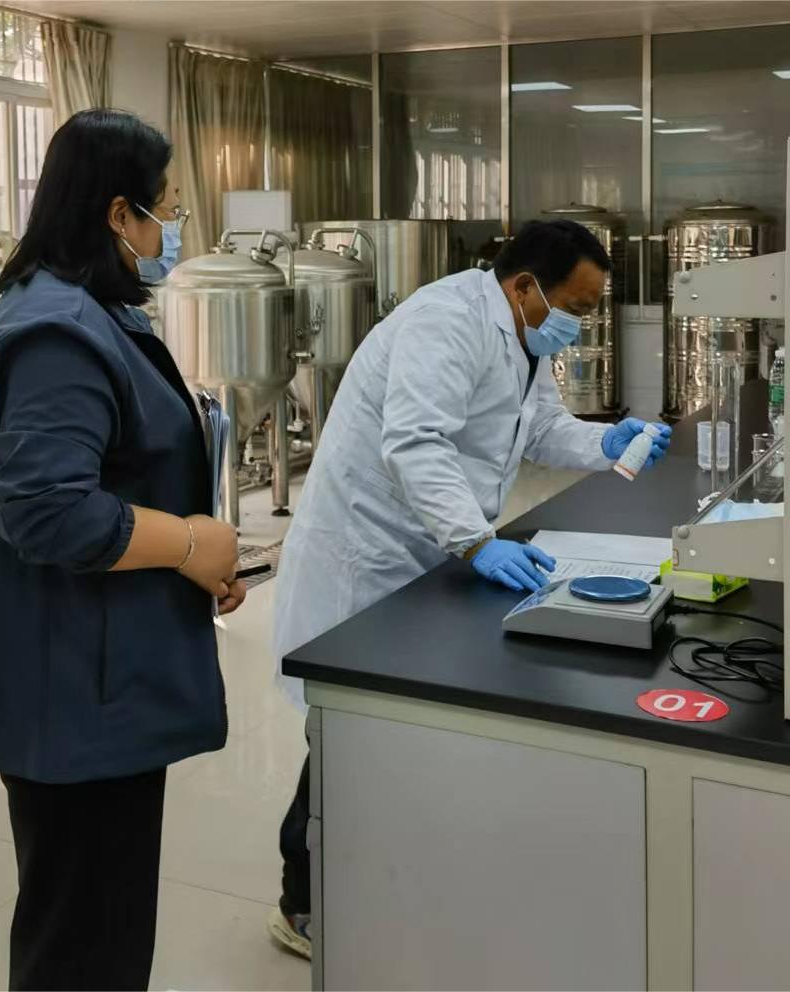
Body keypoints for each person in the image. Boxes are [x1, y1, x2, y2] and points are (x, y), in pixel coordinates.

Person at [266, 219, 671, 958]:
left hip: (428, 550)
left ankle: (393, 873)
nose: (580, 325)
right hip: (368, 551)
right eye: (577, 307)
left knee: (395, 727)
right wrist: (478, 542)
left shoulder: (521, 333)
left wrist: (606, 441)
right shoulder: (445, 322)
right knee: (345, 729)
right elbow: (414, 443)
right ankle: (303, 902)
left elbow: (538, 430)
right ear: (526, 286)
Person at [0, 109, 246, 991]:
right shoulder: (57, 331)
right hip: (75, 698)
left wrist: (197, 559)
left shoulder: (93, 312)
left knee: (97, 930)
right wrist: (187, 543)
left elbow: (120, 472)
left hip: (102, 680)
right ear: (119, 214)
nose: (173, 228)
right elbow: (50, 511)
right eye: (168, 208)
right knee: (82, 949)